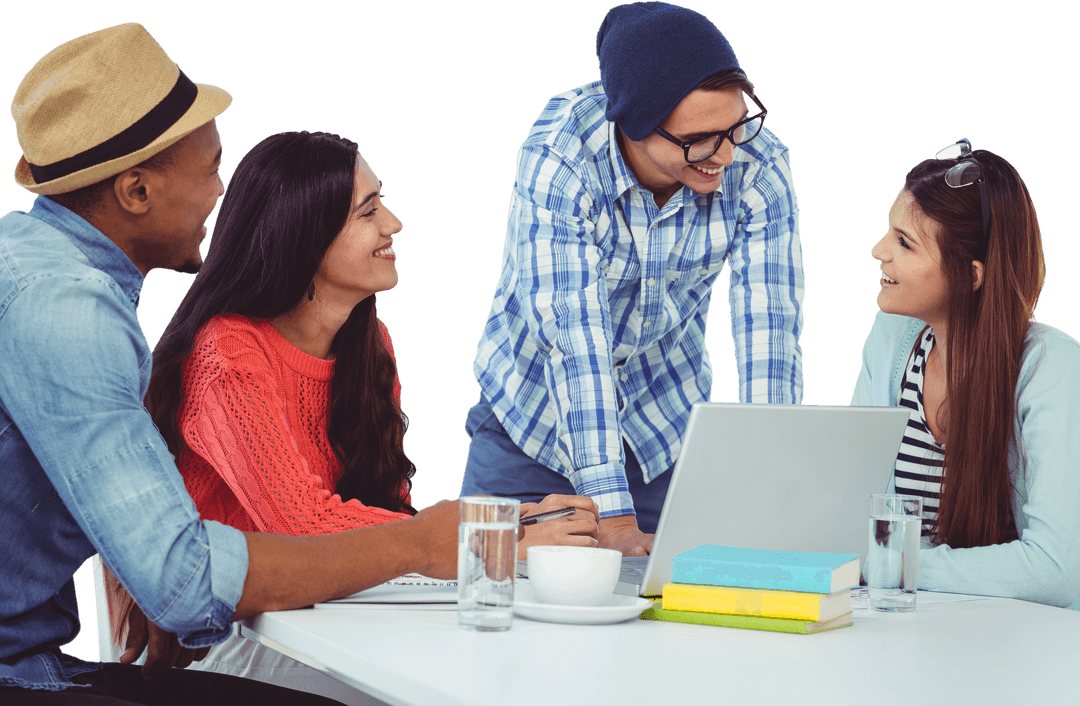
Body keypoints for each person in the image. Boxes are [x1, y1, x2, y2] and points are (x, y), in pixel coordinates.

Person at [0, 24, 462, 705]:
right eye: (212, 170)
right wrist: (419, 545)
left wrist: (144, 562)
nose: (222, 194)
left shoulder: (32, 266)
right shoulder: (70, 312)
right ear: (135, 191)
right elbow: (185, 583)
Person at [101, 130, 599, 704]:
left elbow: (383, 513)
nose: (394, 224)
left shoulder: (369, 345)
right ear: (304, 237)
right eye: (368, 211)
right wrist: (487, 538)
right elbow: (301, 525)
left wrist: (514, 527)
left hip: (332, 612)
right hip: (234, 636)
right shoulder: (228, 352)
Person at [461, 1, 804, 556]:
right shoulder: (561, 158)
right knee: (492, 592)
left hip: (659, 432)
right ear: (634, 125)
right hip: (531, 430)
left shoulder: (756, 162)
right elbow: (574, 339)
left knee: (659, 602)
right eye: (700, 139)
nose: (725, 154)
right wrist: (613, 517)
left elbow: (770, 327)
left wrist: (771, 493)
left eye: (736, 125)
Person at [852, 138, 1080, 610]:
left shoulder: (1052, 369)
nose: (878, 251)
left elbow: (1056, 571)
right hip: (909, 626)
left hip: (1016, 640)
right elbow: (851, 505)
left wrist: (895, 564)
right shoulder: (891, 340)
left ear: (971, 275)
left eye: (904, 243)